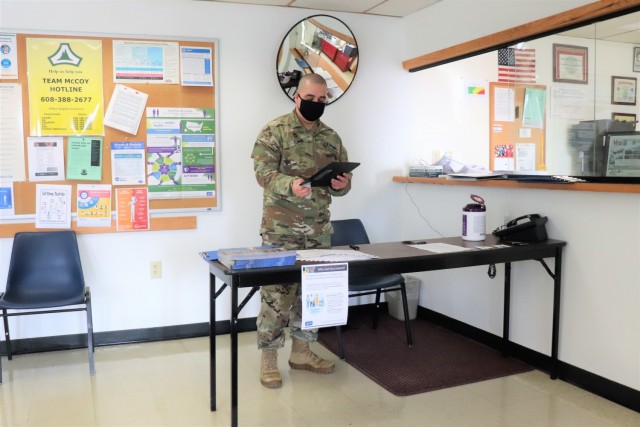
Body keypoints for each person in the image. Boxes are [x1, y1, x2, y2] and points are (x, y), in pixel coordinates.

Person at [251, 73, 352, 388]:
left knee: (314, 296)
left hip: (318, 231)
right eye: (311, 99)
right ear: (297, 97)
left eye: (322, 100)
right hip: (280, 231)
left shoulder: (331, 137)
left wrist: (343, 184)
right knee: (277, 296)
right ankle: (269, 359)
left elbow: (342, 187)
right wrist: (290, 184)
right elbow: (263, 173)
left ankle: (302, 353)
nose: (316, 105)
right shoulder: (274, 131)